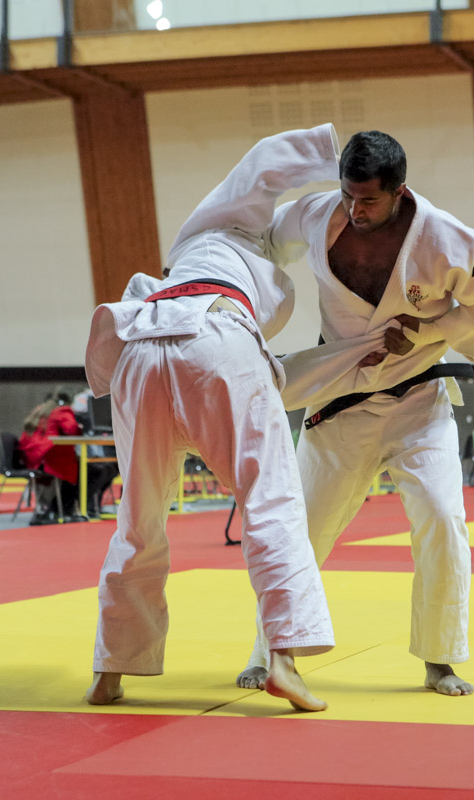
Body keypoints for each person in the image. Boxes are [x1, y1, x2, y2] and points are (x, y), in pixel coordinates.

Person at [236, 130, 474, 698]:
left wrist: (429, 331)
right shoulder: (317, 214)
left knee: (442, 518)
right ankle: (269, 651)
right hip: (339, 401)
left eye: (368, 200)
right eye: (348, 195)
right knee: (302, 531)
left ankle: (440, 658)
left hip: (419, 402)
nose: (354, 210)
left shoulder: (446, 237)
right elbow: (260, 243)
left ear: (399, 192)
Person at [82, 125, 341, 711]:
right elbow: (265, 165)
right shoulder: (236, 234)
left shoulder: (193, 251)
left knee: (138, 517)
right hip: (218, 338)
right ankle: (283, 660)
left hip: (141, 345)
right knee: (270, 498)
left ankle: (110, 668)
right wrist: (335, 156)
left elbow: (263, 169)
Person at [17, 389, 82, 525]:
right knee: (83, 469)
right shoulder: (62, 411)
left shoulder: (39, 411)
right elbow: (72, 429)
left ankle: (54, 508)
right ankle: (65, 510)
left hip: (31, 458)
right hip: (47, 459)